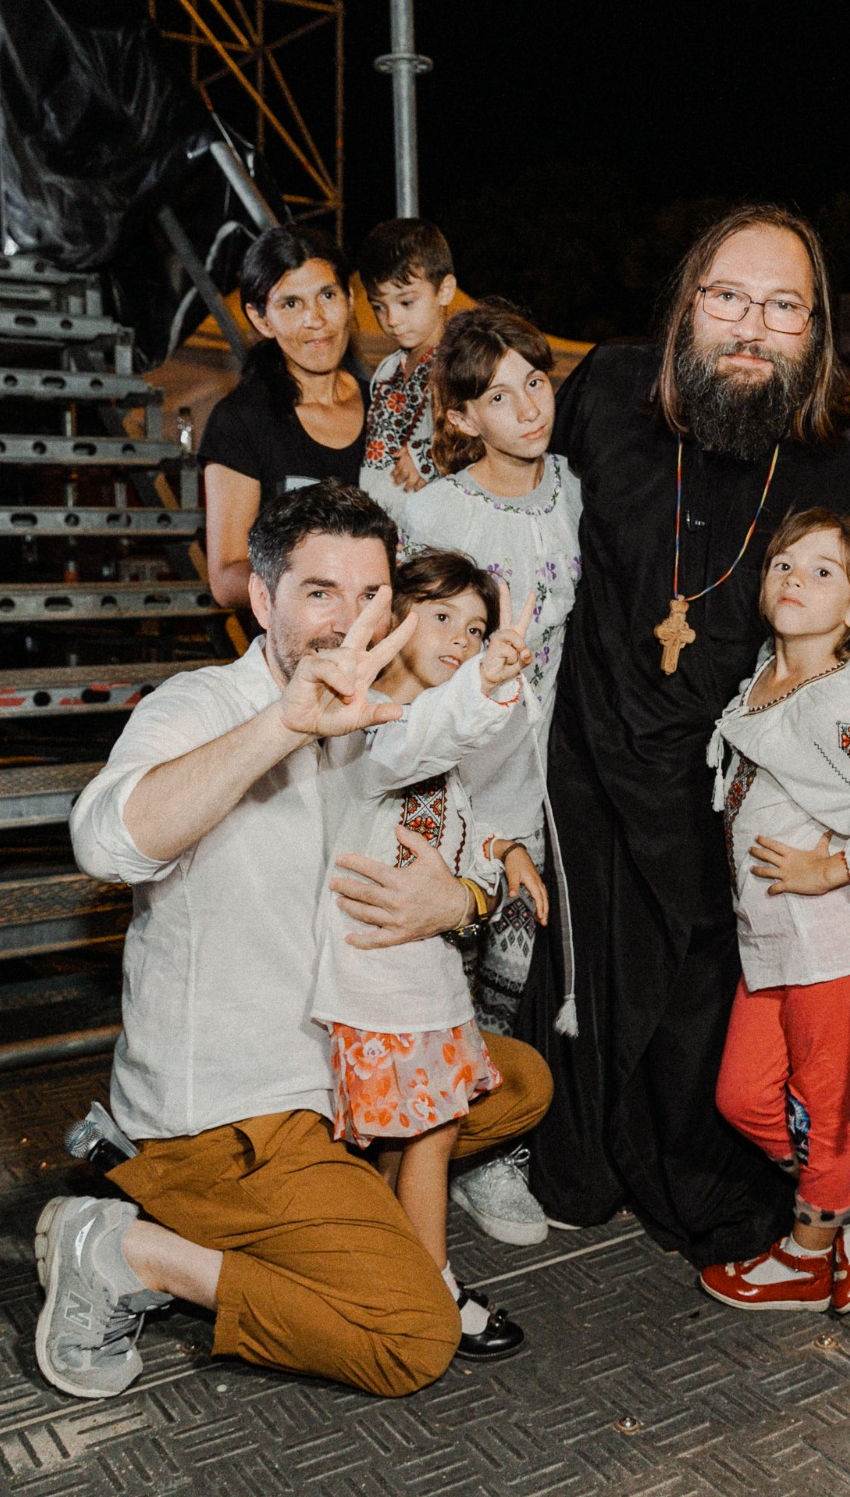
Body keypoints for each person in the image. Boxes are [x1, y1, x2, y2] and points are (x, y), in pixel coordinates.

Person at [40, 481, 552, 1401]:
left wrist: (461, 899)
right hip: (229, 1113)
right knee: (408, 1341)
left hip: (341, 1065)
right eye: (320, 593)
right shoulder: (198, 704)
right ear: (264, 599)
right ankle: (125, 1248)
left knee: (518, 1084)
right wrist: (280, 725)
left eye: (370, 596)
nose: (347, 621)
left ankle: (349, 1215)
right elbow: (107, 839)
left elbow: (435, 753)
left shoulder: (365, 717)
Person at [516, 204, 850, 1267]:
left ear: (815, 332)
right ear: (688, 301)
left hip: (731, 787)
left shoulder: (846, 467)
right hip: (590, 756)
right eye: (728, 297)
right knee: (584, 979)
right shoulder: (604, 392)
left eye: (782, 307)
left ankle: (710, 1181)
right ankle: (572, 1162)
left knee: (702, 1009)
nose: (749, 326)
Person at [697, 509, 850, 1318]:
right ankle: (846, 1200)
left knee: (821, 1102)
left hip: (829, 947)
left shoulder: (842, 708)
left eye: (823, 571)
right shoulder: (766, 679)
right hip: (769, 945)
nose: (795, 579)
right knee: (742, 1097)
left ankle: (812, 1246)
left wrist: (831, 866)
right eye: (782, 565)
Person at [312, 549, 544, 1360]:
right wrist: (488, 682)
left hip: (423, 986)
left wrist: (505, 851)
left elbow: (453, 816)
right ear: (390, 617)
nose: (460, 637)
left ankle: (392, 1274)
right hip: (377, 988)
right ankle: (428, 1287)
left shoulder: (430, 745)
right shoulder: (366, 727)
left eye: (474, 627)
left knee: (410, 1142)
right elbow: (411, 749)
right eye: (440, 616)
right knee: (413, 1140)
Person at [400, 304, 583, 1248]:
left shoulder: (578, 494)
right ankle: (437, 1142)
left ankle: (492, 1145)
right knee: (446, 958)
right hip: (457, 764)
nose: (525, 409)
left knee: (515, 960)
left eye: (535, 383)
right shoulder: (430, 512)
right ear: (463, 416)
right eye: (497, 397)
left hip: (545, 764)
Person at [201, 226, 368, 608]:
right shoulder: (241, 420)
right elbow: (227, 577)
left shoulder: (388, 411)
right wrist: (322, 589)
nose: (316, 319)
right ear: (262, 319)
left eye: (327, 295)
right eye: (291, 304)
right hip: (294, 657)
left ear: (350, 299)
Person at [357, 218, 457, 522]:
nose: (392, 319)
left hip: (438, 530)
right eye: (379, 306)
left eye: (406, 302)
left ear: (445, 290)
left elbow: (490, 437)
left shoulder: (463, 362)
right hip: (385, 525)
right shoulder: (387, 369)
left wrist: (429, 459)